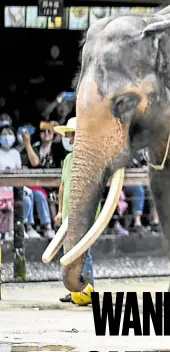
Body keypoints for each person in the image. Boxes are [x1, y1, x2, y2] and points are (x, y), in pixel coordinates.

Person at [54, 117, 97, 306]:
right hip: (67, 215)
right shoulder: (68, 159)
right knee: (68, 253)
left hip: (85, 214)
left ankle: (87, 289)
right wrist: (58, 211)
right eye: (69, 136)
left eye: (72, 135)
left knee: (83, 253)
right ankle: (73, 290)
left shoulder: (93, 158)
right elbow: (62, 187)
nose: (69, 140)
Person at [0, 125, 22, 242]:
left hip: (14, 186)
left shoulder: (15, 153)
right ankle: (4, 231)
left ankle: (12, 231)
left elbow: (19, 171)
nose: (7, 137)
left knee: (24, 198)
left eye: (9, 133)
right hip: (1, 187)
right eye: (4, 134)